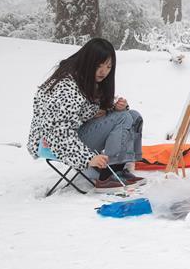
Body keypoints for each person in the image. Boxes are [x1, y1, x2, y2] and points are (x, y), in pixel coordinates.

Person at [27, 38, 144, 191]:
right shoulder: (66, 87)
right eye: (99, 66)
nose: (104, 71)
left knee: (132, 115)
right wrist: (88, 158)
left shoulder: (85, 78)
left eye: (108, 66)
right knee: (123, 117)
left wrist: (115, 106)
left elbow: (89, 108)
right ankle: (108, 174)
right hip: (51, 144)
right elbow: (58, 133)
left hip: (75, 135)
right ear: (88, 62)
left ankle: (120, 168)